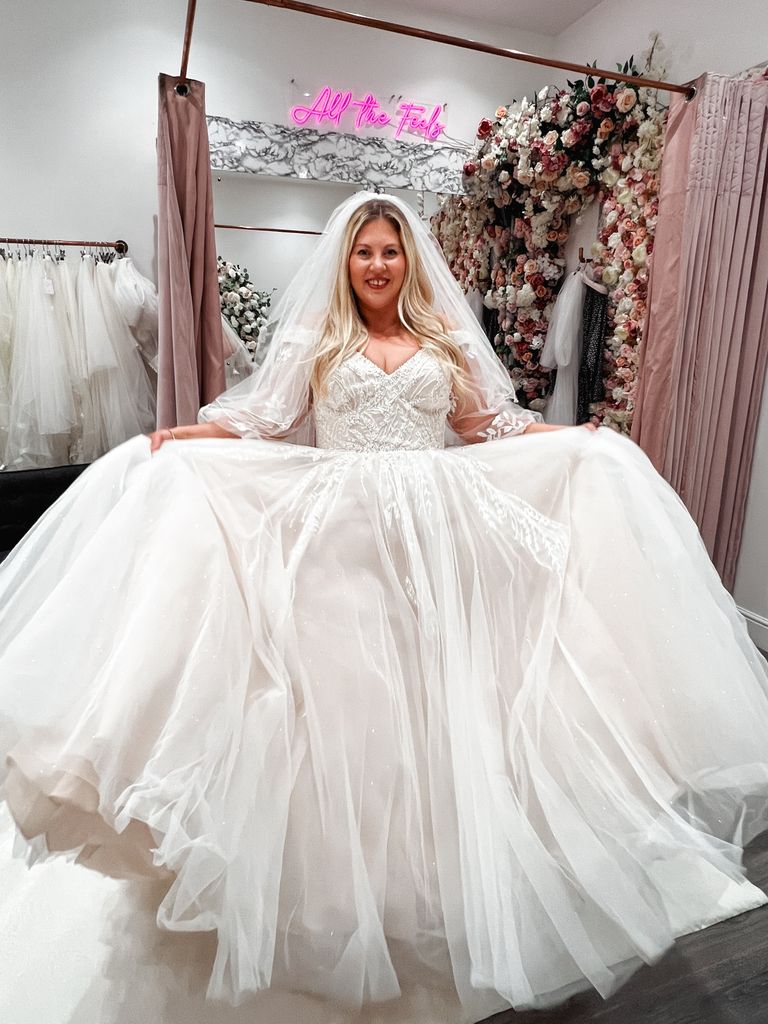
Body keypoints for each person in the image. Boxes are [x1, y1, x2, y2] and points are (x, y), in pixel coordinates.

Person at [1, 192, 768, 1024]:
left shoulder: (441, 339)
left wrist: (578, 441)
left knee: (437, 701)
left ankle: (432, 893)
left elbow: (487, 427)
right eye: (364, 252)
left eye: (390, 253)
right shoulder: (315, 340)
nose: (376, 265)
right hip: (337, 539)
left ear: (409, 262)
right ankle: (333, 902)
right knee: (345, 709)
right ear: (345, 262)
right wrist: (180, 442)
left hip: (437, 542)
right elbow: (262, 421)